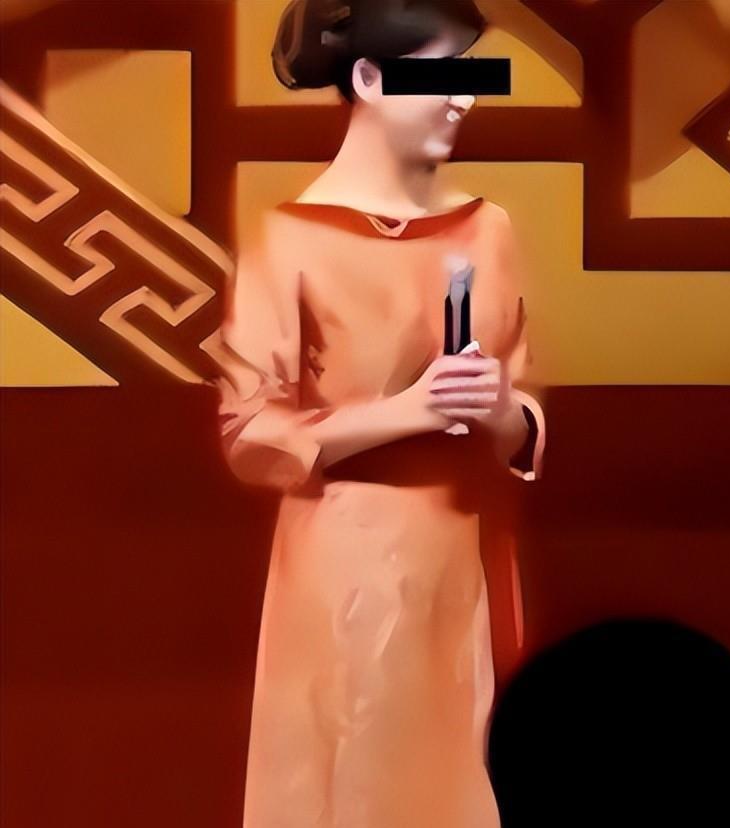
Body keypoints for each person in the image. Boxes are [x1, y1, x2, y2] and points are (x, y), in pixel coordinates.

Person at [215, 1, 544, 825]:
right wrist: (405, 412)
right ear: (368, 78)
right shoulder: (288, 239)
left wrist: (501, 409)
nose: (465, 96)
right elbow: (249, 432)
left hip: (465, 563)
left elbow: (523, 411)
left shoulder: (489, 231)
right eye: (446, 74)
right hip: (340, 573)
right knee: (350, 785)